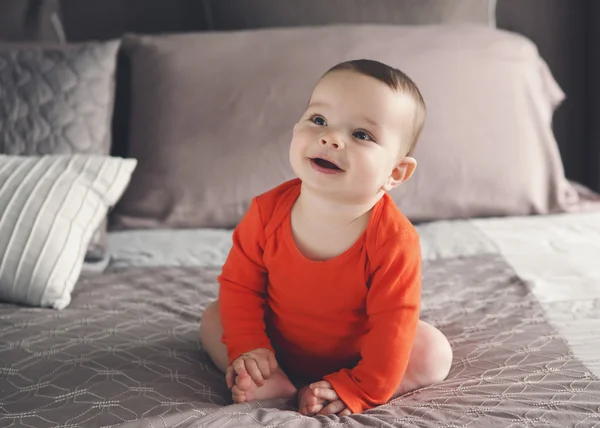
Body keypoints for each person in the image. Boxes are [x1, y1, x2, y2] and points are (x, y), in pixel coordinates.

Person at [200, 59, 453, 416]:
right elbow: (241, 287)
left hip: (359, 353)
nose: (331, 137)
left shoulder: (394, 241)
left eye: (361, 135)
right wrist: (250, 346)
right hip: (273, 338)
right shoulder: (266, 211)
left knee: (433, 352)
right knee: (214, 318)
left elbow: (391, 328)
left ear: (396, 171)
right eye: (319, 120)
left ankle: (338, 388)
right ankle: (269, 377)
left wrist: (361, 388)